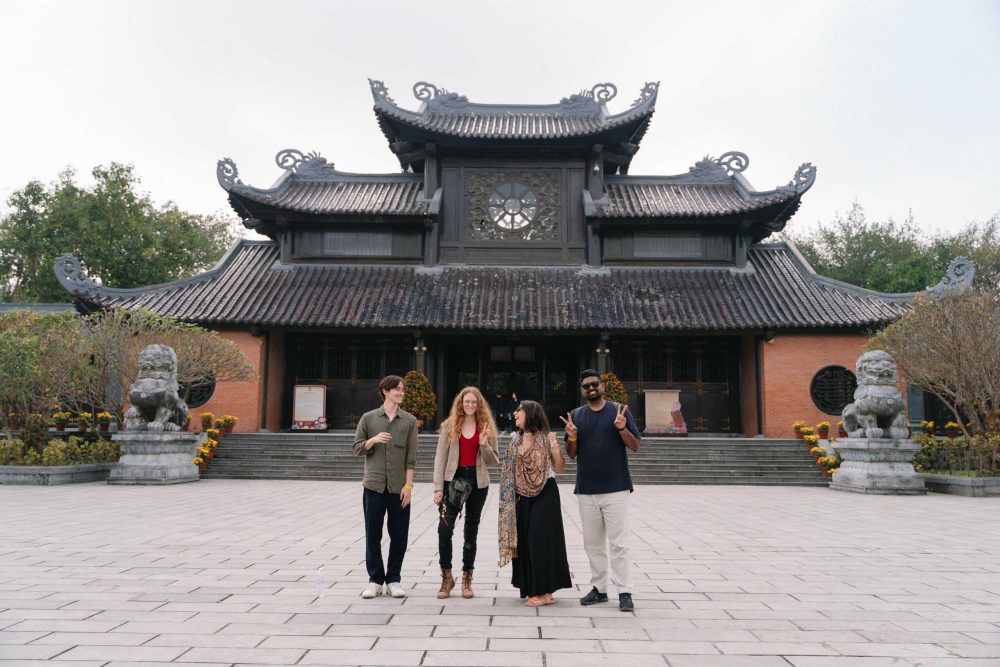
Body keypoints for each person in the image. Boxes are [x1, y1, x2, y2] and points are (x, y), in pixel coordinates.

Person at [561, 369, 641, 612]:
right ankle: (599, 588)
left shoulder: (618, 412)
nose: (591, 388)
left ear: (602, 386)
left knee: (619, 543)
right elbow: (572, 454)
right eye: (586, 386)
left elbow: (635, 445)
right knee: (592, 544)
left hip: (616, 488)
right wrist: (572, 436)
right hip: (587, 490)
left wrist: (621, 428)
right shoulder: (576, 415)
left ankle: (625, 590)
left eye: (595, 384)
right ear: (582, 391)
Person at [499, 399, 572, 607]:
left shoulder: (546, 439)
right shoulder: (515, 442)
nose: (514, 414)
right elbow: (508, 471)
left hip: (546, 493)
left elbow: (559, 469)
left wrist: (557, 451)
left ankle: (542, 590)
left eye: (518, 411)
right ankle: (538, 588)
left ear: (530, 413)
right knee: (526, 542)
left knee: (541, 540)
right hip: (522, 496)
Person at [352, 375, 418, 599]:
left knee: (399, 536)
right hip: (373, 486)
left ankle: (393, 579)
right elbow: (357, 448)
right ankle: (375, 580)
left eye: (402, 390)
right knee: (373, 535)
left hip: (399, 488)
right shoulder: (369, 419)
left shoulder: (409, 421)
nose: (401, 393)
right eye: (397, 389)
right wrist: (373, 440)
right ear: (385, 391)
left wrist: (408, 486)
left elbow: (411, 459)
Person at [432, 387, 500, 599]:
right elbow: (440, 459)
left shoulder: (486, 427)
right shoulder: (448, 426)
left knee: (471, 531)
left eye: (473, 402)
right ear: (460, 404)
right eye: (466, 402)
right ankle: (446, 576)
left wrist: (484, 444)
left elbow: (494, 461)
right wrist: (438, 488)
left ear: (479, 404)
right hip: (454, 480)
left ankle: (467, 578)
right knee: (444, 529)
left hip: (478, 481)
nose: (470, 405)